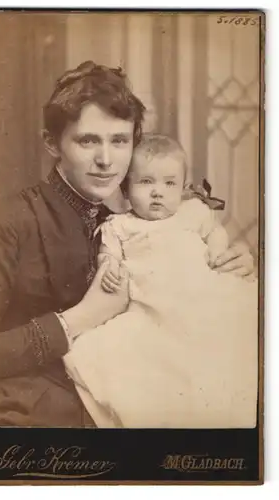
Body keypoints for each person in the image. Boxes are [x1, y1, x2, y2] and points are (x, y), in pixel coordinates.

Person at [0, 61, 256, 427]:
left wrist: (224, 264)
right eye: (88, 140)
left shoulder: (129, 224)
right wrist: (76, 320)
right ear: (52, 143)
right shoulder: (8, 221)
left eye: (120, 141)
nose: (106, 161)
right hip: (32, 418)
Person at [65, 134, 258, 429]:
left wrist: (220, 251)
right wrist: (110, 265)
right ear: (126, 190)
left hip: (203, 295)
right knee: (149, 363)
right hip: (152, 307)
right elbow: (108, 255)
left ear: (183, 189)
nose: (158, 192)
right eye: (146, 182)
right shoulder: (119, 225)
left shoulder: (193, 213)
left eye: (169, 184)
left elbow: (216, 233)